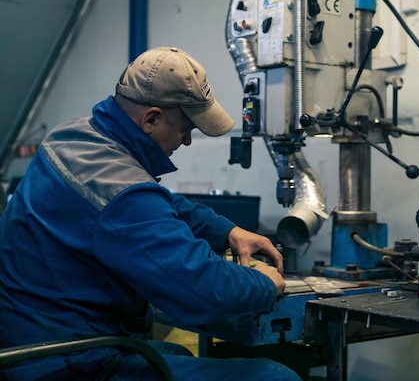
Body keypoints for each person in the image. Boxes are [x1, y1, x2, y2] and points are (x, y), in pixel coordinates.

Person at [0, 47, 302, 381]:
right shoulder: (123, 195)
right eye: (186, 128)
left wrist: (226, 230)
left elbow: (157, 204)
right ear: (151, 119)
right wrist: (263, 283)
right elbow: (206, 293)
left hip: (28, 339)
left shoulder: (71, 138)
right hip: (66, 362)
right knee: (274, 377)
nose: (187, 141)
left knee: (177, 352)